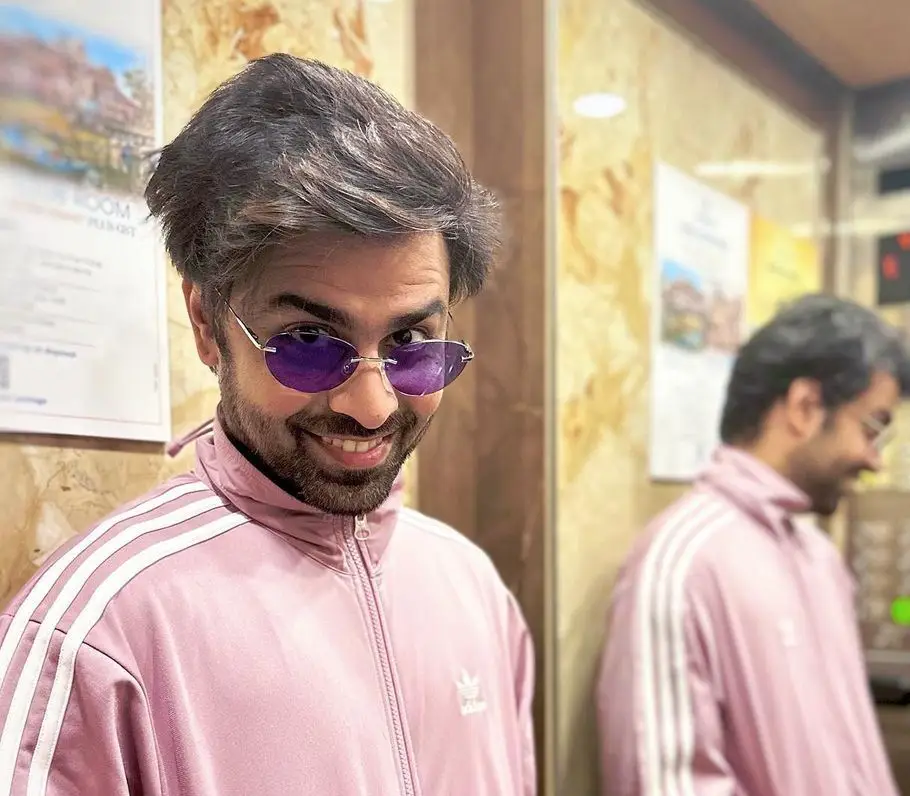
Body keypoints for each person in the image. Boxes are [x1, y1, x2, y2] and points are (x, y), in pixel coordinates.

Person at [0, 54, 535, 795]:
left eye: (411, 343)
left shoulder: (472, 587)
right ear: (207, 324)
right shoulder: (92, 635)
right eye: (309, 343)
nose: (373, 406)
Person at [597, 294, 907, 796]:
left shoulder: (818, 557)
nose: (875, 460)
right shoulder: (682, 563)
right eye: (872, 428)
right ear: (805, 407)